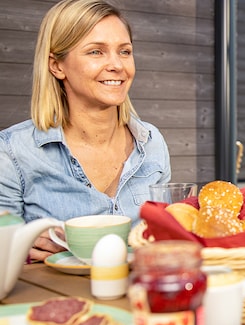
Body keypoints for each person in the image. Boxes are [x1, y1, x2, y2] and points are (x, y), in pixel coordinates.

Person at [0, 0, 171, 262]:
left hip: (139, 297)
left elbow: (164, 238)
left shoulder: (151, 143)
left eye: (124, 51)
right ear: (57, 66)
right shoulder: (12, 152)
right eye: (96, 52)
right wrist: (19, 242)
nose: (117, 65)